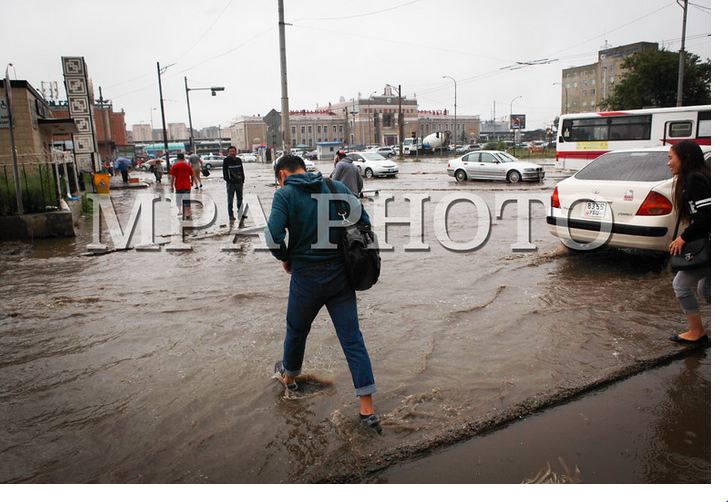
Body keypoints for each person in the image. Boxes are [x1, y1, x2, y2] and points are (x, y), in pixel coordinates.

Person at [267, 154, 381, 433]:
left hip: (306, 278)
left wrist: (286, 257)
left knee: (296, 330)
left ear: (282, 174)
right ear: (304, 169)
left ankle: (290, 379)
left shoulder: (284, 195)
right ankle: (367, 410)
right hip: (341, 277)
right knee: (353, 340)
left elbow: (272, 237)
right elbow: (364, 222)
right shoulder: (335, 188)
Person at [667, 140, 711, 344]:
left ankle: (697, 332)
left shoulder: (695, 179)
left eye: (671, 158)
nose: (668, 163)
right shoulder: (696, 177)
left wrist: (684, 237)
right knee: (706, 289)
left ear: (684, 159)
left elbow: (707, 216)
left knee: (682, 285)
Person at [222, 146, 245, 222]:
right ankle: (231, 215)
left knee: (240, 199)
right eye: (231, 151)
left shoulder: (239, 160)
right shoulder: (226, 160)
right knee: (230, 200)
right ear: (228, 152)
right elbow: (225, 172)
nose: (232, 153)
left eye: (233, 151)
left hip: (239, 183)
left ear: (236, 152)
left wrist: (242, 180)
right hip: (230, 184)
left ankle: (241, 213)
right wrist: (228, 180)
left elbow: (241, 170)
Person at [169, 153, 194, 219]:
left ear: (177, 158)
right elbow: (192, 175)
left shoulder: (174, 166)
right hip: (187, 185)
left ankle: (180, 211)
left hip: (178, 185)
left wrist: (171, 186)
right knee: (187, 199)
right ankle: (187, 213)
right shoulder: (187, 166)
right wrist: (192, 182)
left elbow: (172, 178)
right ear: (184, 158)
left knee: (178, 199)